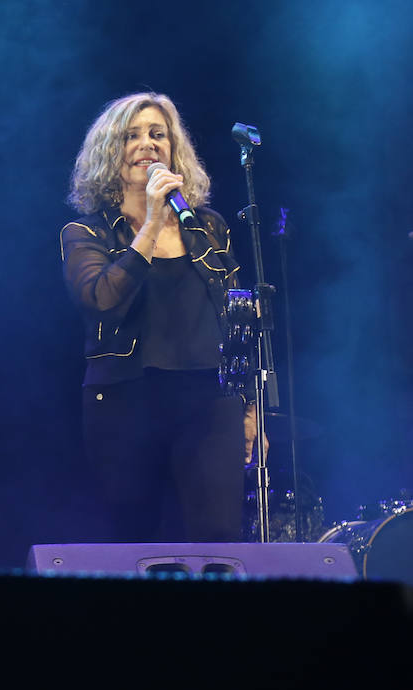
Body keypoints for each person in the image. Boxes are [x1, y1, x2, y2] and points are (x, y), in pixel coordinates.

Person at [61, 92, 261, 544]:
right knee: (137, 542)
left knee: (219, 539)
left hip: (209, 402)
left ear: (174, 150)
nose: (147, 145)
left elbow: (236, 320)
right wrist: (150, 223)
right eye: (131, 137)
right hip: (126, 401)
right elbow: (101, 298)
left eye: (158, 135)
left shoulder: (207, 226)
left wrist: (250, 410)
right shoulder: (86, 231)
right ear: (111, 154)